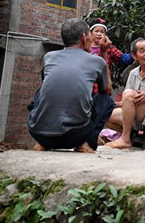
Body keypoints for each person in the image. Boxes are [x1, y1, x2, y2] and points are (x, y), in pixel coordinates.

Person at [28, 18, 115, 153]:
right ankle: (86, 143)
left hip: (39, 133)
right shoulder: (97, 61)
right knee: (106, 100)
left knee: (43, 89)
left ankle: (43, 143)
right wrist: (103, 53)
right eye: (90, 35)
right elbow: (106, 88)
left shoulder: (49, 57)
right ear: (83, 38)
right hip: (75, 137)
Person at [105, 38, 145, 150]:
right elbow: (127, 101)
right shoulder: (133, 73)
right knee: (105, 114)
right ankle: (131, 138)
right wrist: (114, 104)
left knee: (129, 94)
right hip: (136, 114)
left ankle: (125, 139)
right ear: (134, 56)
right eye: (142, 51)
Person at [89, 19, 132, 95]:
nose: (99, 34)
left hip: (102, 86)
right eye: (96, 31)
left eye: (102, 32)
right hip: (87, 86)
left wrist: (135, 54)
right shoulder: (85, 47)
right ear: (91, 33)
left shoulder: (109, 48)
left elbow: (122, 58)